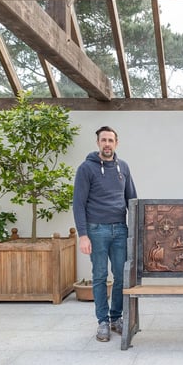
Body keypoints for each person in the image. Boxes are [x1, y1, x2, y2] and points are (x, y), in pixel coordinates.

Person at [73, 126, 137, 342]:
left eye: (111, 140)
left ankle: (116, 318)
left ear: (116, 143)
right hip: (96, 229)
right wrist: (83, 235)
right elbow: (78, 204)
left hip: (120, 229)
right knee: (100, 276)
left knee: (121, 276)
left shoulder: (124, 168)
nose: (107, 144)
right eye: (103, 140)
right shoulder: (86, 169)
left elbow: (132, 201)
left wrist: (135, 230)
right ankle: (102, 322)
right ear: (98, 143)